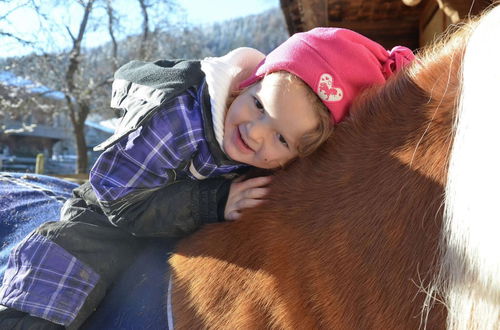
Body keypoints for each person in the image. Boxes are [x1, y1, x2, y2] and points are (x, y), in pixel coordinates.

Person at [0, 28, 414, 329]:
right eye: (259, 106)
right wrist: (212, 202)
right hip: (106, 218)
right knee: (52, 289)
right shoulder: (176, 118)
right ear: (250, 83)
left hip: (176, 221)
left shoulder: (260, 151)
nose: (255, 132)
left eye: (281, 138)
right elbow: (117, 197)